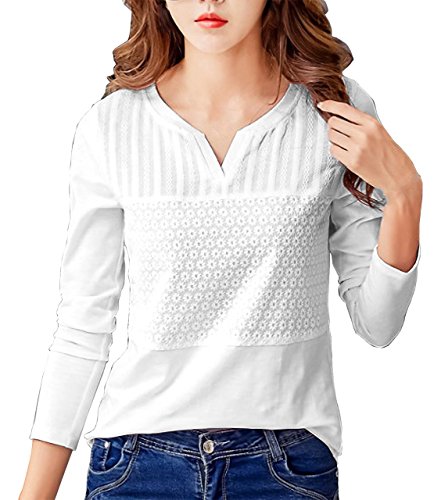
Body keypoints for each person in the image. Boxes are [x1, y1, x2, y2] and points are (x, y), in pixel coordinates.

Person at [20, 0, 422, 498]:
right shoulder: (112, 127)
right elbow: (83, 328)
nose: (209, 1)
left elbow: (378, 324)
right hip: (136, 466)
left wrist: (405, 192)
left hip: (286, 470)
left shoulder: (335, 112)